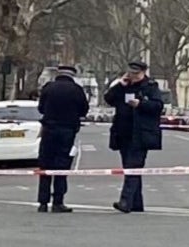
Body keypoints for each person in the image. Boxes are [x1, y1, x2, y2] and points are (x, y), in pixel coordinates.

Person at [104, 58, 167, 212]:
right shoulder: (124, 86)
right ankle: (136, 203)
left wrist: (141, 104)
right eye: (131, 73)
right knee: (130, 168)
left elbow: (158, 106)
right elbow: (109, 99)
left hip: (141, 134)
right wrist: (120, 85)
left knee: (133, 167)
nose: (133, 76)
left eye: (136, 74)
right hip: (123, 132)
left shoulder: (151, 87)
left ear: (143, 73)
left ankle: (125, 202)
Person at [34, 60, 90, 212]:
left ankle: (43, 203)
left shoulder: (48, 88)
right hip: (67, 131)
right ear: (72, 75)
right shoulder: (76, 90)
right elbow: (84, 110)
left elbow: (41, 108)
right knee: (62, 166)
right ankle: (58, 202)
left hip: (49, 129)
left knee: (45, 166)